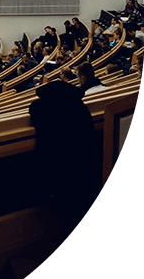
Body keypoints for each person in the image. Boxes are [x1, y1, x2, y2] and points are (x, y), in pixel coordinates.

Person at [28, 79, 101, 236]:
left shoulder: (43, 109)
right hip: (86, 168)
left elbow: (34, 107)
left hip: (58, 171)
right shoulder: (81, 108)